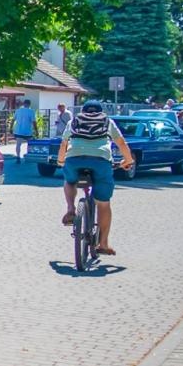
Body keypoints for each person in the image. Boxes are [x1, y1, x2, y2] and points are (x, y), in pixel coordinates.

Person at [57, 101, 136, 256]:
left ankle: (71, 209)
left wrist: (61, 161)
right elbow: (121, 142)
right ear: (101, 112)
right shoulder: (107, 121)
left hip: (74, 159)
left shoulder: (74, 121)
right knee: (104, 203)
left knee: (70, 181)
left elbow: (63, 144)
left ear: (83, 111)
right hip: (101, 161)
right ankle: (104, 244)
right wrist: (128, 161)